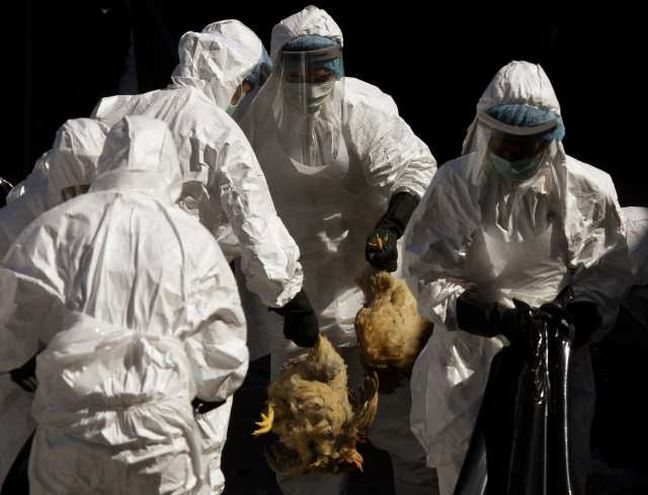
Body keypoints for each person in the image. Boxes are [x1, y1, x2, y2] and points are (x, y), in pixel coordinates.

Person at [404, 60, 632, 495]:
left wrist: (577, 317)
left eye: (526, 145)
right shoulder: (455, 185)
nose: (512, 154)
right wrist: (490, 317)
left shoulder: (586, 188)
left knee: (550, 471)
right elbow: (425, 271)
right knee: (466, 474)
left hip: (553, 358)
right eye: (504, 142)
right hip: (469, 362)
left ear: (550, 139)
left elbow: (607, 271)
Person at [239, 6, 438, 494]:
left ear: (340, 63)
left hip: (370, 301)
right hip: (296, 305)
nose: (312, 80)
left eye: (323, 67)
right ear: (277, 66)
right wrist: (282, 298)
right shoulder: (251, 123)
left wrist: (392, 224)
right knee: (308, 444)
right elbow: (240, 211)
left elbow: (414, 167)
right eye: (298, 68)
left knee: (408, 433)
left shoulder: (364, 110)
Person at [0, 116, 248, 495]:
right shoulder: (192, 239)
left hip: (71, 431)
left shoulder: (55, 226)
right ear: (170, 167)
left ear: (106, 161)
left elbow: (9, 324)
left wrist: (27, 364)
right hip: (159, 438)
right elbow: (223, 353)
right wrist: (194, 392)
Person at [0, 118, 108, 490]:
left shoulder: (112, 214)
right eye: (74, 186)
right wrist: (18, 358)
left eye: (89, 185)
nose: (81, 195)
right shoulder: (19, 219)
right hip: (20, 358)